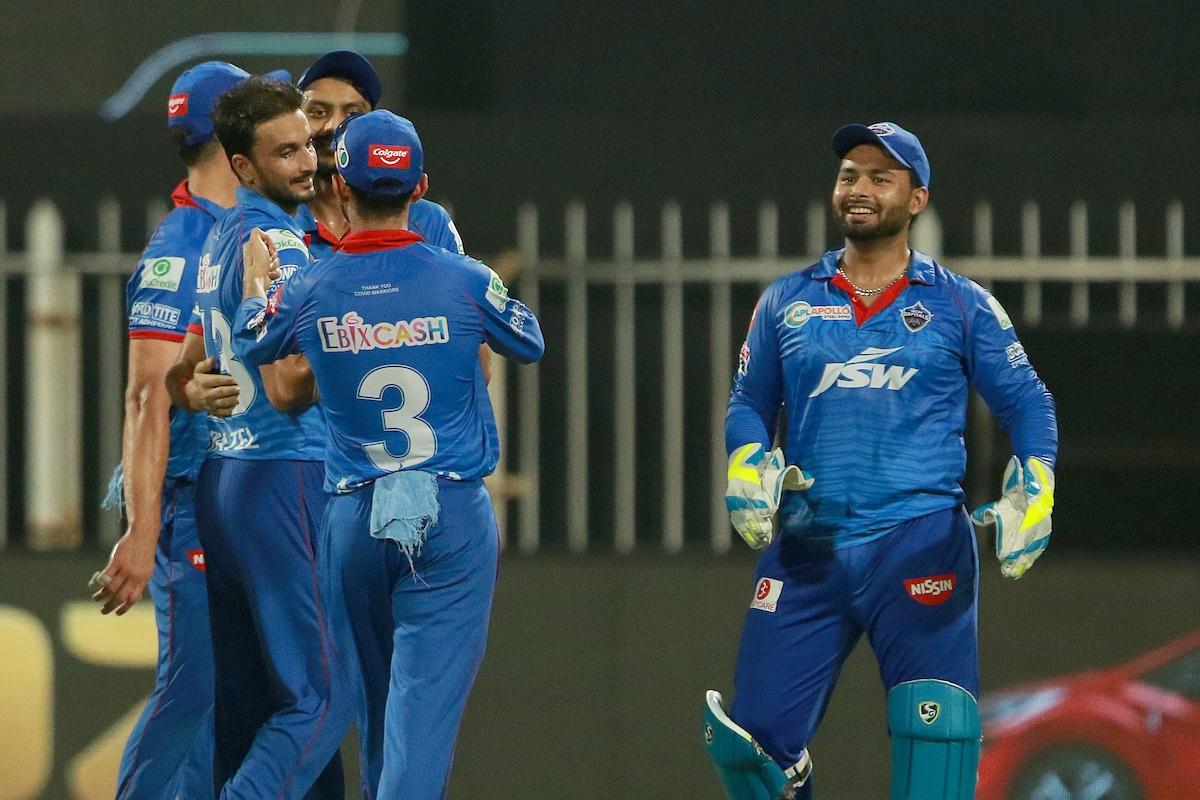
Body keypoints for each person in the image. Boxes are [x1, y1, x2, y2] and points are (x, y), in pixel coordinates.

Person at [702, 122, 1058, 800]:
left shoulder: (960, 303)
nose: (859, 189)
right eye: (849, 176)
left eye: (880, 178)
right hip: (809, 550)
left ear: (916, 199)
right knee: (752, 750)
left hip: (920, 546)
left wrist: (1034, 484)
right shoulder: (787, 300)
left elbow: (1027, 402)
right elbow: (749, 399)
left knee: (936, 751)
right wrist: (748, 458)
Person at [230, 109, 544, 798]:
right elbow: (528, 341)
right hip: (449, 513)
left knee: (374, 714)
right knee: (418, 719)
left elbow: (254, 342)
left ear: (340, 188)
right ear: (421, 187)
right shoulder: (464, 278)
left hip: (352, 516)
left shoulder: (310, 286)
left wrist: (260, 279)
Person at [171, 75, 347, 799]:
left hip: (228, 481)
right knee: (323, 698)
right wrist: (358, 334)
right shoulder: (279, 241)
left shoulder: (221, 237)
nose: (308, 162)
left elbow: (185, 369)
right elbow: (289, 384)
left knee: (250, 706)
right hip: (286, 477)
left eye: (307, 144)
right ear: (243, 167)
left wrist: (195, 389)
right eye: (286, 153)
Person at [88, 60, 252, 799]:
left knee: (224, 700)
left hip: (243, 496)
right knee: (194, 689)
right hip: (192, 498)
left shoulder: (250, 229)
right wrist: (143, 527)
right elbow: (146, 393)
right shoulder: (178, 250)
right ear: (229, 133)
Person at [295, 49, 463, 258]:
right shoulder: (276, 219)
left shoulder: (428, 220)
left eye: (352, 114)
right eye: (318, 112)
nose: (335, 125)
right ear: (296, 121)